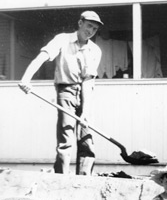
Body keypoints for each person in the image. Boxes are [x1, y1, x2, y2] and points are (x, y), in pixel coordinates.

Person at [18, 11, 103, 175]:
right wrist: (26, 78)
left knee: (87, 137)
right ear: (80, 23)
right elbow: (42, 57)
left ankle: (85, 182)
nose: (91, 31)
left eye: (94, 28)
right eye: (89, 26)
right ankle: (61, 180)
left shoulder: (95, 50)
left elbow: (88, 81)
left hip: (86, 93)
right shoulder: (62, 39)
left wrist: (85, 111)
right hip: (66, 91)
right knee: (66, 139)